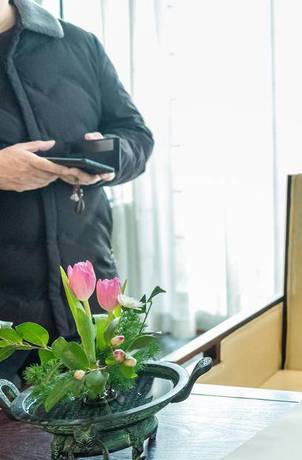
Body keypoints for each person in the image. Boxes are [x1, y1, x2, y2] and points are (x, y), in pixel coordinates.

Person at [0, 0, 154, 384]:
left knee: (110, 417)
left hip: (87, 296)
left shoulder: (78, 44)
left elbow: (135, 136)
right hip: (6, 318)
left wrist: (106, 158)